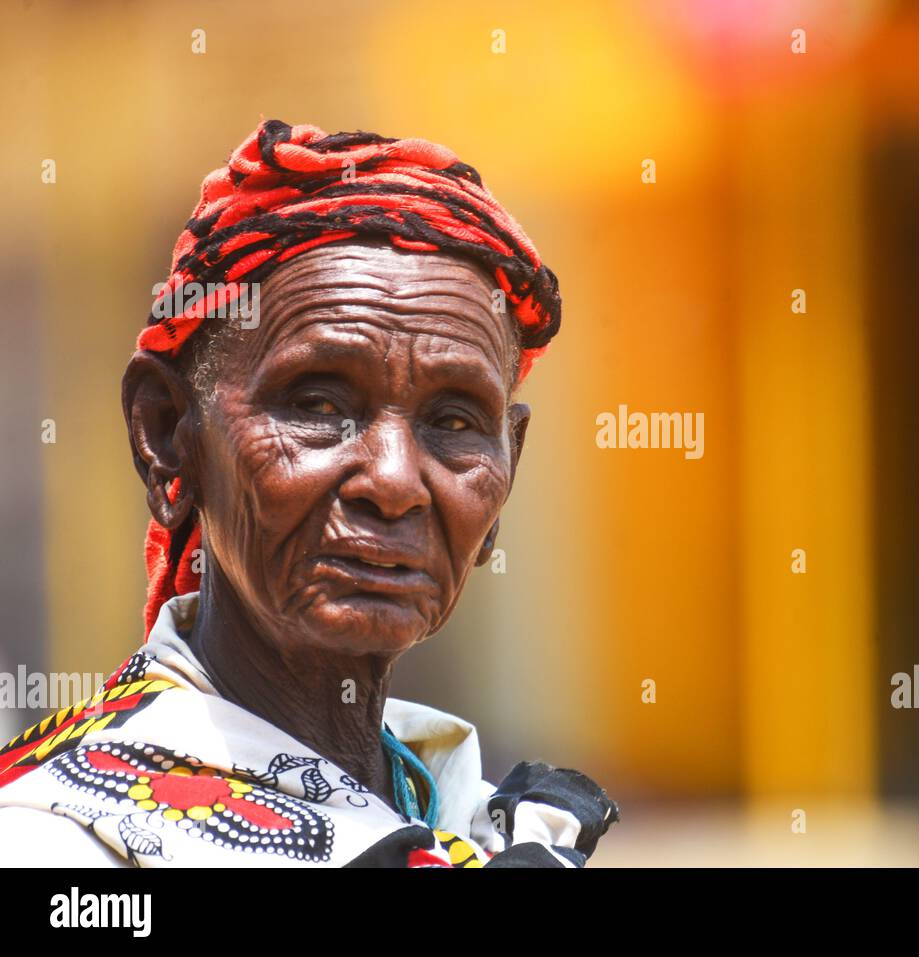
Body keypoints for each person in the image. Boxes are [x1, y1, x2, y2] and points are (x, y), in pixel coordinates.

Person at [0, 120, 618, 867]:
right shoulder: (53, 842)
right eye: (319, 405)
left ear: (507, 466)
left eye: (453, 420)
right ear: (167, 438)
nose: (393, 481)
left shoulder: (477, 820)